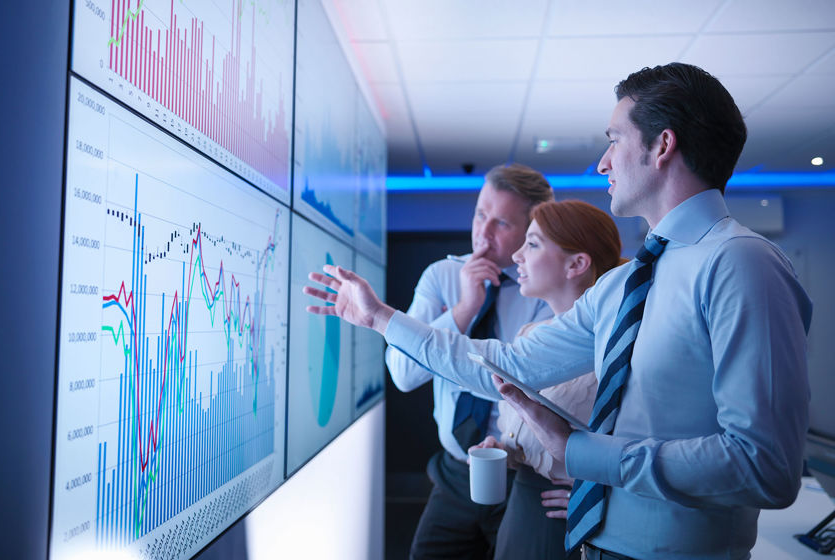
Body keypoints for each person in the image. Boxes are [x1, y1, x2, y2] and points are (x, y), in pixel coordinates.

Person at [304, 62, 813, 559]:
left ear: (662, 145)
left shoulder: (742, 264)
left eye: (614, 140)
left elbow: (764, 466)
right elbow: (507, 364)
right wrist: (380, 319)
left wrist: (586, 456)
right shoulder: (623, 284)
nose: (602, 163)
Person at [385, 163, 554, 559]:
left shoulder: (545, 290)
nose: (483, 232)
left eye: (501, 224)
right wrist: (463, 309)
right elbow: (404, 375)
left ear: (530, 231)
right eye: (480, 214)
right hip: (456, 472)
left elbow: (536, 382)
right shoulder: (441, 275)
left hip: (523, 475)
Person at [470, 199, 625, 560]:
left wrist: (604, 495)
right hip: (521, 510)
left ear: (577, 264)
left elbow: (637, 449)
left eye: (533, 244)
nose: (518, 256)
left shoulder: (612, 349)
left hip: (567, 519)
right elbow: (529, 441)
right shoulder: (529, 335)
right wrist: (500, 450)